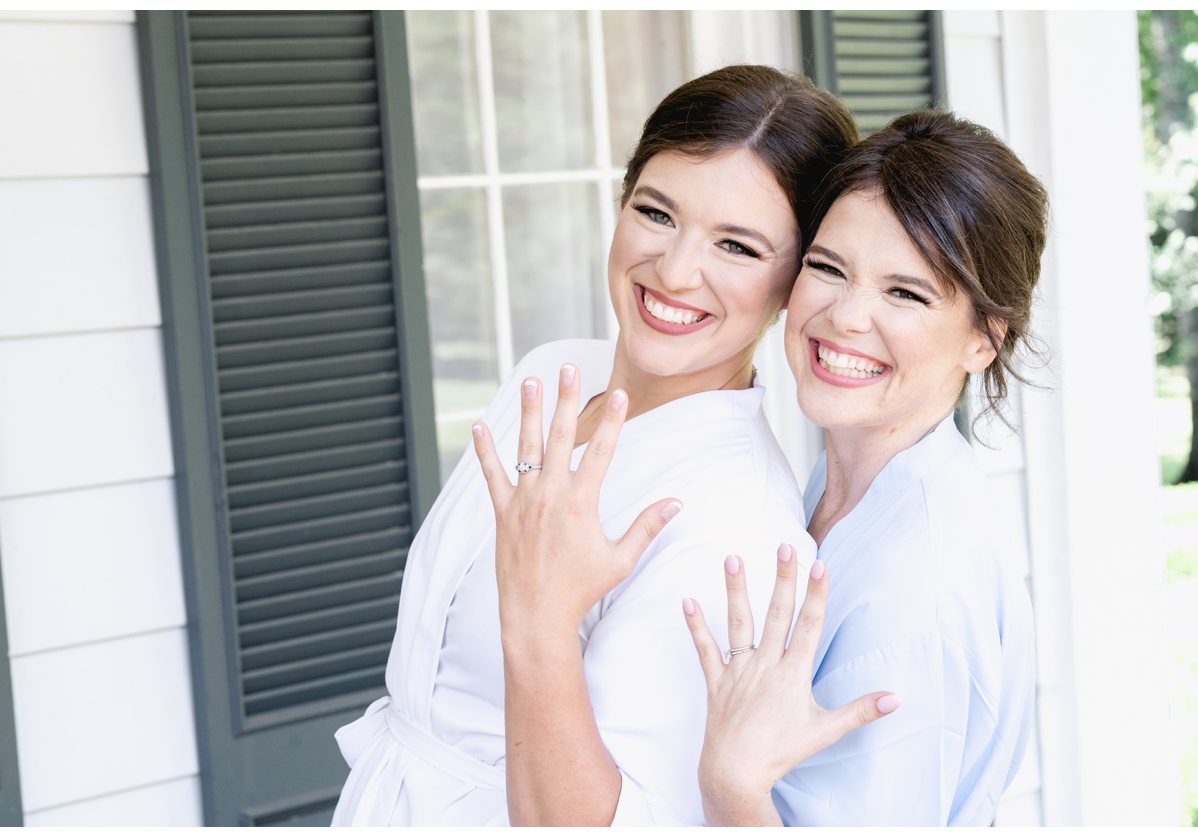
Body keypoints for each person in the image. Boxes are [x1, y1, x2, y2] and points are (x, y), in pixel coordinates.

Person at [330, 65, 860, 826]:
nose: (676, 270)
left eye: (738, 247)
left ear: (794, 283)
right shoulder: (549, 374)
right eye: (657, 212)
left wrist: (541, 614)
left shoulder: (734, 524)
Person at [681, 110, 1044, 826]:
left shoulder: (911, 590)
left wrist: (730, 789)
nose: (845, 316)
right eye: (827, 267)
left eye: (905, 292)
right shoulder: (851, 479)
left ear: (983, 340)